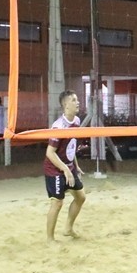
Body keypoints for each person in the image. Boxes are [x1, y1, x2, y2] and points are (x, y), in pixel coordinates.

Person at [43, 90, 87, 242]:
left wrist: (75, 165)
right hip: (54, 169)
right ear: (66, 105)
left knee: (81, 197)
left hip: (68, 166)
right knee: (57, 203)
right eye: (74, 100)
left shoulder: (76, 121)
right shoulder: (59, 127)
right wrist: (65, 169)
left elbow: (71, 146)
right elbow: (50, 153)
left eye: (77, 99)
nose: (78, 102)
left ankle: (68, 228)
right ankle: (50, 239)